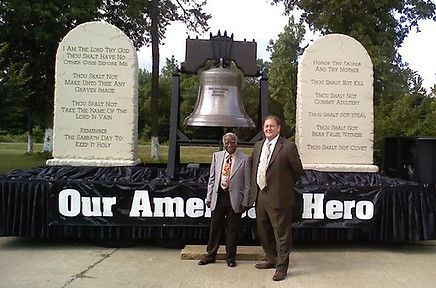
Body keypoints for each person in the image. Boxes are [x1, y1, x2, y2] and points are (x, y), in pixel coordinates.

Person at [250, 115, 303, 281]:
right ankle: (271, 259)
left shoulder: (287, 147)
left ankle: (281, 267)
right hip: (260, 195)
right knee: (263, 230)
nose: (268, 129)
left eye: (272, 126)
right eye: (266, 126)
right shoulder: (258, 145)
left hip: (279, 197)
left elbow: (297, 171)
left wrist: (283, 187)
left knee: (281, 234)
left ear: (279, 128)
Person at [198, 132, 251, 267]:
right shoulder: (217, 156)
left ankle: (230, 257)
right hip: (219, 196)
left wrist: (245, 202)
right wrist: (209, 196)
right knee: (215, 228)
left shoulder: (245, 159)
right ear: (223, 143)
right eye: (226, 142)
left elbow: (247, 184)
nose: (229, 145)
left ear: (236, 143)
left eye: (232, 142)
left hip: (234, 199)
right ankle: (210, 255)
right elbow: (212, 179)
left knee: (232, 229)